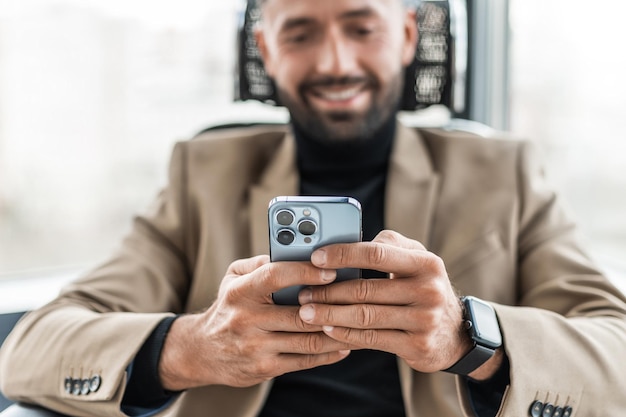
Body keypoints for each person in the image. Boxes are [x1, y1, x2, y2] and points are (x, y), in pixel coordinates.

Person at [1, 0, 626, 416]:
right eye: (300, 33)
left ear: (407, 37)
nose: (334, 62)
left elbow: (617, 352)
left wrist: (469, 336)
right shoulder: (204, 174)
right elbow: (27, 349)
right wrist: (192, 347)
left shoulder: (503, 173)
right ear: (267, 51)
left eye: (362, 27)